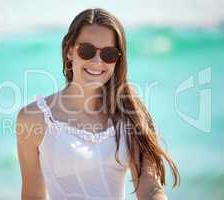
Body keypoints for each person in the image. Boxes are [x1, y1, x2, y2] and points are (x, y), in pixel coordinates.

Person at [16, 8, 180, 200]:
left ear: (118, 60)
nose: (97, 61)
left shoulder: (132, 114)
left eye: (108, 54)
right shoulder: (33, 118)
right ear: (69, 51)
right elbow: (32, 195)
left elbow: (151, 189)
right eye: (87, 50)